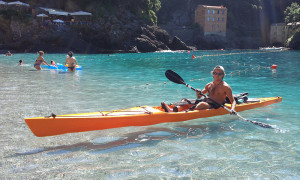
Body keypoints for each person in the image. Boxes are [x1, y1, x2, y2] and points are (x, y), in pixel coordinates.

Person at [162, 65, 236, 114]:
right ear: (212, 74)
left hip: (215, 105)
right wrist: (198, 92)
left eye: (219, 74)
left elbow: (233, 101)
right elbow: (199, 97)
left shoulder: (226, 86)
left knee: (201, 104)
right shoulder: (209, 84)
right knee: (185, 100)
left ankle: (181, 113)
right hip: (205, 101)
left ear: (223, 75)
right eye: (215, 73)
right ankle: (175, 109)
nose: (217, 75)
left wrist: (232, 109)